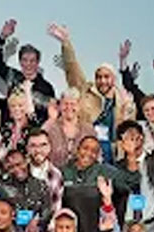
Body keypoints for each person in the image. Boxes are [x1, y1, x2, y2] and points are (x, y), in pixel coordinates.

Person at [50, 24, 136, 161]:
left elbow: (130, 128)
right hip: (86, 150)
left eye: (106, 77)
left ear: (113, 79)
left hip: (112, 154)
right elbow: (73, 68)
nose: (102, 81)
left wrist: (128, 107)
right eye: (99, 77)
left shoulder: (122, 99)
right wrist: (66, 42)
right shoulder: (86, 90)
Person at [0, 19, 56, 115]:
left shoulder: (46, 88)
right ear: (20, 62)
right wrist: (2, 37)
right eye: (25, 60)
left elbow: (50, 114)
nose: (28, 64)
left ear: (38, 62)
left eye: (32, 61)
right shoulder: (12, 76)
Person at [42, 88, 96, 168]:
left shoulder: (88, 129)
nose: (69, 107)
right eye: (65, 104)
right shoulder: (51, 128)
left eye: (73, 104)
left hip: (83, 176)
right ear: (59, 106)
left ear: (79, 106)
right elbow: (39, 143)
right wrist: (51, 120)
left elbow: (96, 155)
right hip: (55, 175)